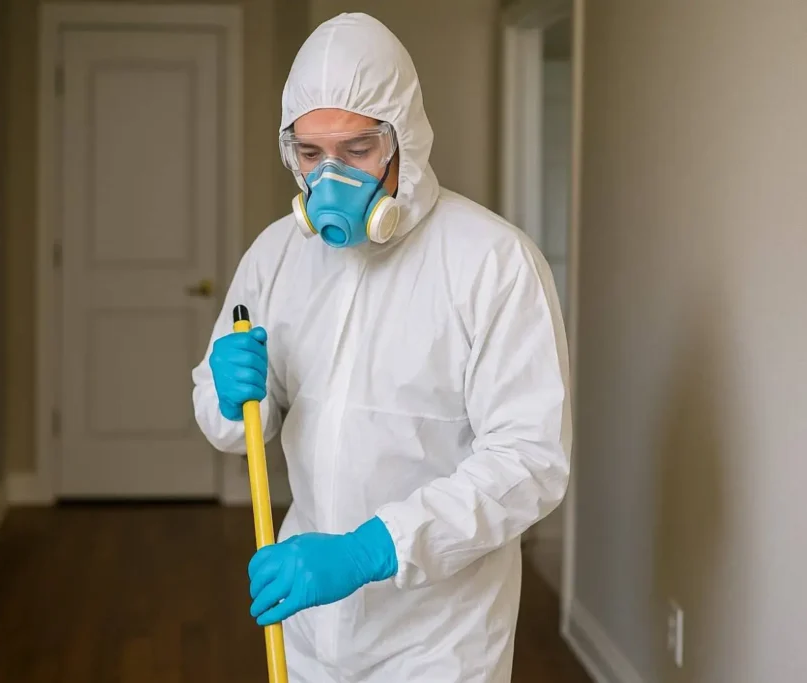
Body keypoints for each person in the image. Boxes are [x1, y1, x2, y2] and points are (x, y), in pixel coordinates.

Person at [191, 12, 571, 683]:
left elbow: (528, 462)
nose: (330, 177)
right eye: (311, 154)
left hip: (441, 641)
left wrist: (372, 550)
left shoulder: (492, 263)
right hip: (309, 631)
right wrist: (223, 394)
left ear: (405, 140)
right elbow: (236, 429)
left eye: (358, 149)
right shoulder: (277, 256)